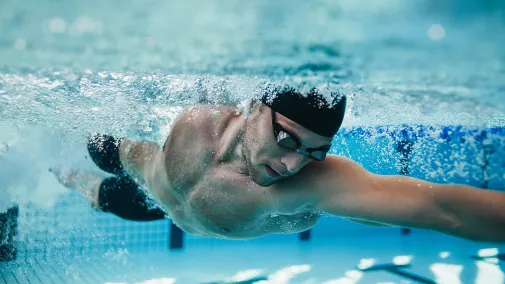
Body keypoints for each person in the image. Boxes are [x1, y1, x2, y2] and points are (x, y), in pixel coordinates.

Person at [52, 86, 505, 241]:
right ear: (253, 105)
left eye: (313, 151)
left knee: (101, 196)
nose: (292, 165)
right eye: (286, 137)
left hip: (156, 206)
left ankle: (73, 183)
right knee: (94, 147)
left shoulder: (310, 186)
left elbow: (443, 209)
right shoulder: (201, 114)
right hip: (140, 165)